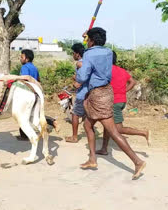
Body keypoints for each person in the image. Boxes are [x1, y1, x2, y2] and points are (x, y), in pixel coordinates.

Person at [77, 27, 146, 180]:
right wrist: (86, 40)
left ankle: (137, 161)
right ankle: (92, 159)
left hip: (97, 95)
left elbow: (82, 77)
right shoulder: (108, 52)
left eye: (88, 39)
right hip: (106, 92)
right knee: (87, 125)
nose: (87, 42)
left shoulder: (89, 54)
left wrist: (80, 67)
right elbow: (93, 54)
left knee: (113, 131)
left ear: (92, 40)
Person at [96, 51, 151, 155]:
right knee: (107, 124)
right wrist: (123, 91)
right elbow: (133, 82)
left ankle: (143, 133)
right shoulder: (121, 70)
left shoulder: (106, 71)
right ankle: (104, 148)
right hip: (121, 101)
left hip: (114, 102)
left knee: (118, 129)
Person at [19, 49, 59, 138]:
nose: (20, 59)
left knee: (24, 114)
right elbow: (38, 80)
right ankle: (52, 121)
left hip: (27, 93)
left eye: (22, 57)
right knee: (35, 113)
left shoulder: (24, 67)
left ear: (27, 59)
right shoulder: (34, 68)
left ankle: (24, 135)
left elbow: (24, 80)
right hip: (36, 93)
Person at [65, 43, 88, 143]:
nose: (72, 55)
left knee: (75, 114)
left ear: (77, 54)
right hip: (89, 92)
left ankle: (74, 137)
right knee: (88, 114)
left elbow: (83, 77)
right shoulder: (88, 61)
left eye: (73, 53)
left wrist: (77, 82)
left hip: (82, 93)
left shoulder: (80, 63)